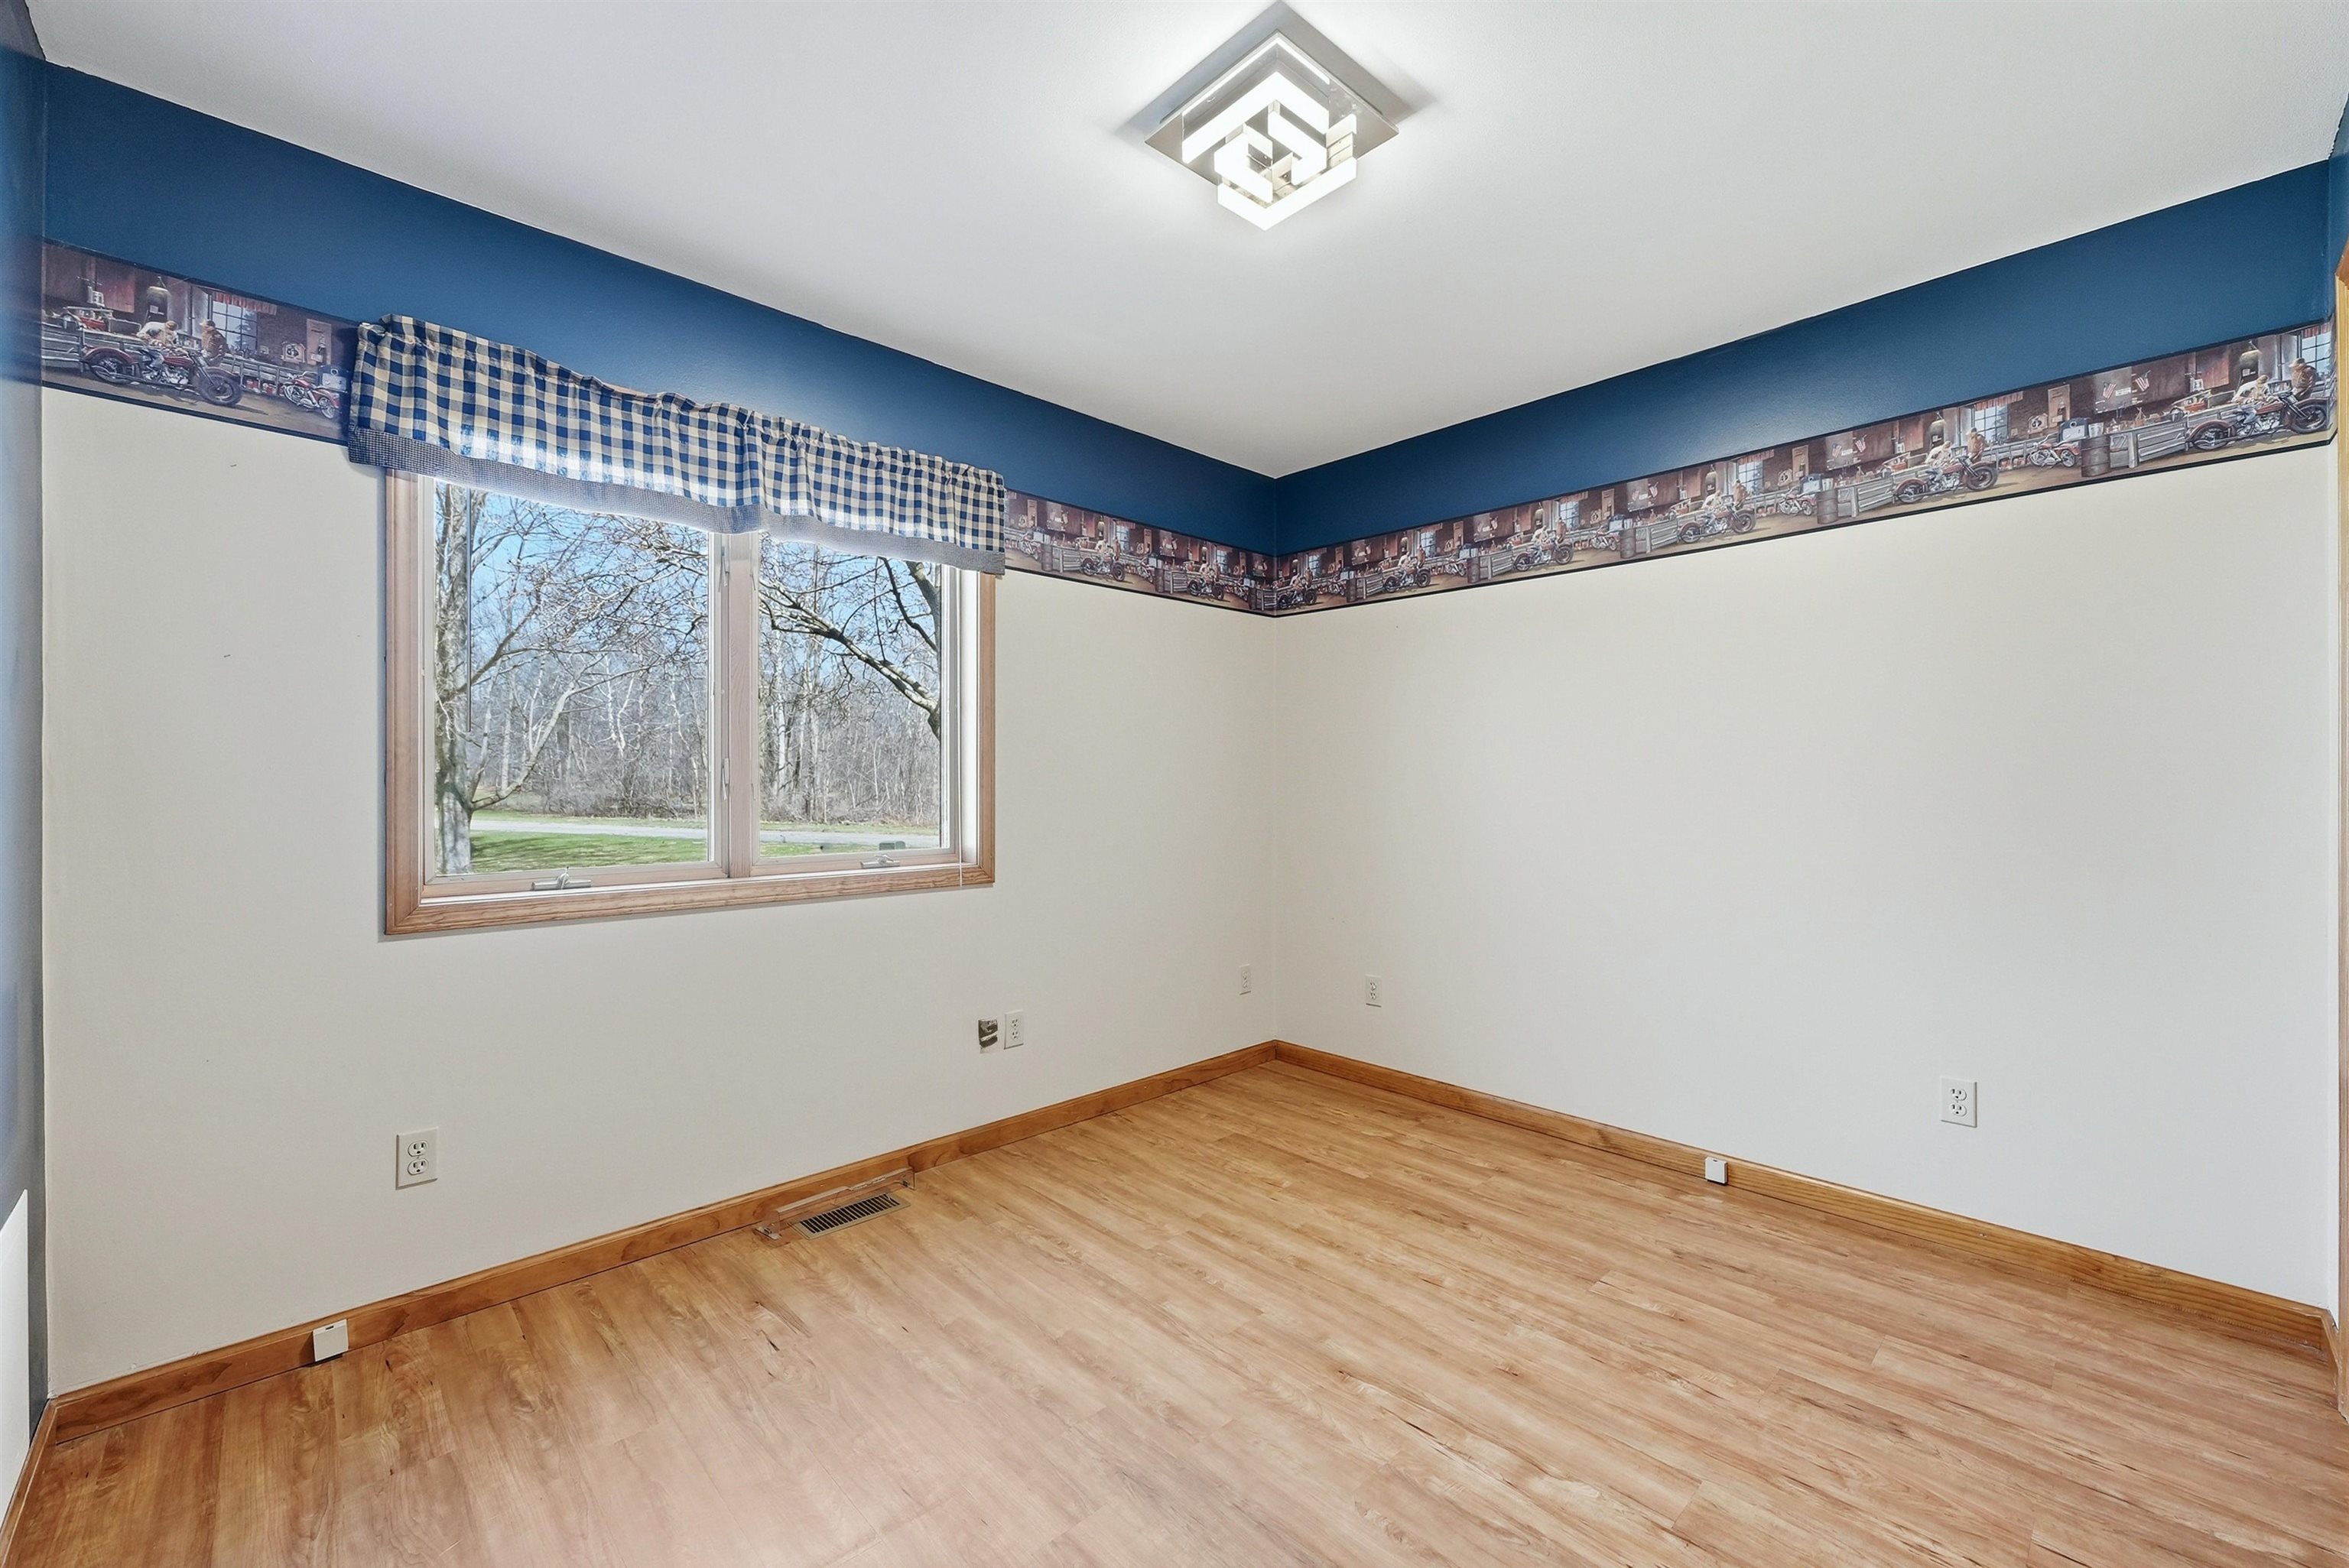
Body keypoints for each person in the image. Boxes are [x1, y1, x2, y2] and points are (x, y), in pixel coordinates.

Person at [133, 317, 178, 381]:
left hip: (160, 349)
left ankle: (165, 375)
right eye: (168, 329)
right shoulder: (154, 326)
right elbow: (140, 334)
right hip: (149, 347)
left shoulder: (173, 333)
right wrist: (151, 340)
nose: (169, 332)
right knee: (160, 358)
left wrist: (172, 346)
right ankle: (149, 369)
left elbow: (172, 343)